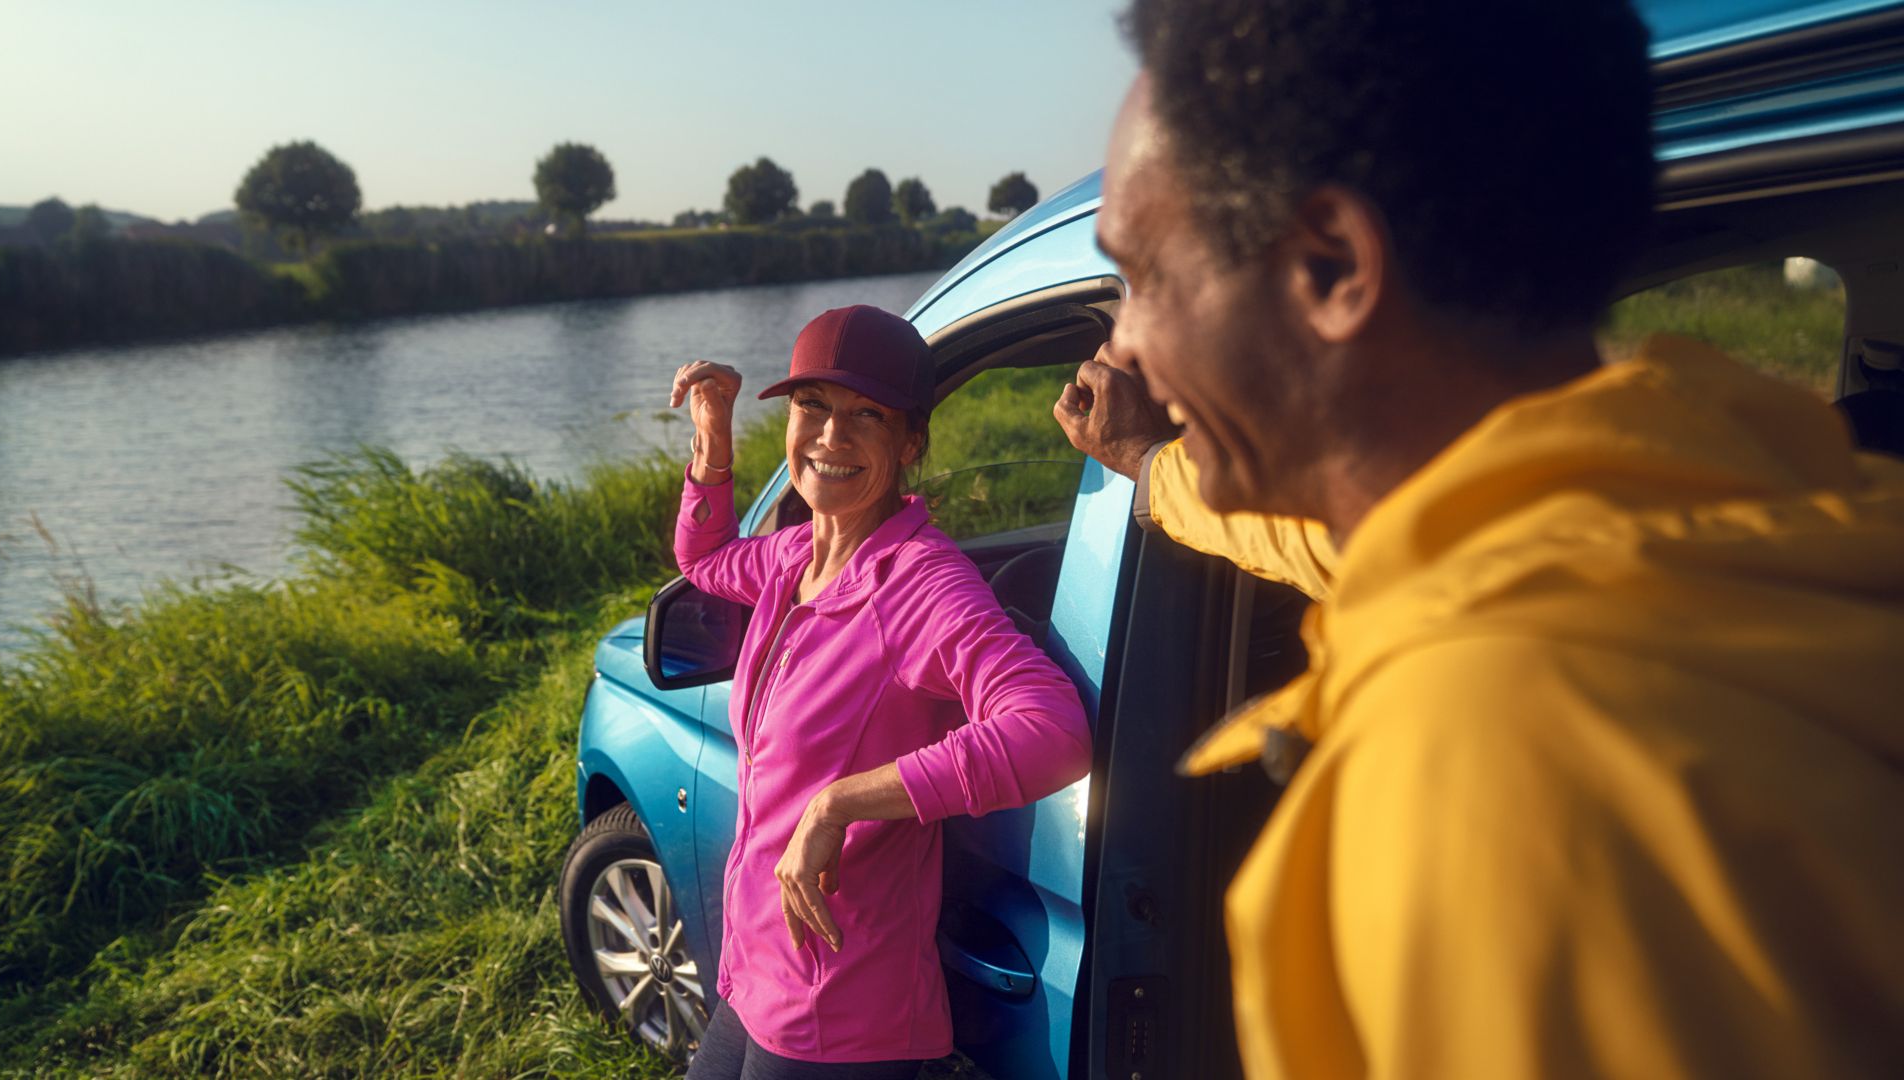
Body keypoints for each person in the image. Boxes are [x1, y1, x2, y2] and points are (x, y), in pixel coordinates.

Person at [1054, 1, 1904, 1077]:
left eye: (1146, 279)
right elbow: (1348, 547)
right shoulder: (1731, 511)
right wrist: (1150, 464)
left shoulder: (1488, 768)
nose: (1126, 344)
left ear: (1332, 266)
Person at [671, 304, 1091, 1079]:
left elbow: (1052, 730)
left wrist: (839, 803)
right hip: (756, 969)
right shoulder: (792, 558)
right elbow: (704, 560)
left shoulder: (922, 586)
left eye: (867, 414)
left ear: (910, 443)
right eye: (813, 405)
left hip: (840, 1012)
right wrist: (712, 438)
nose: (831, 436)